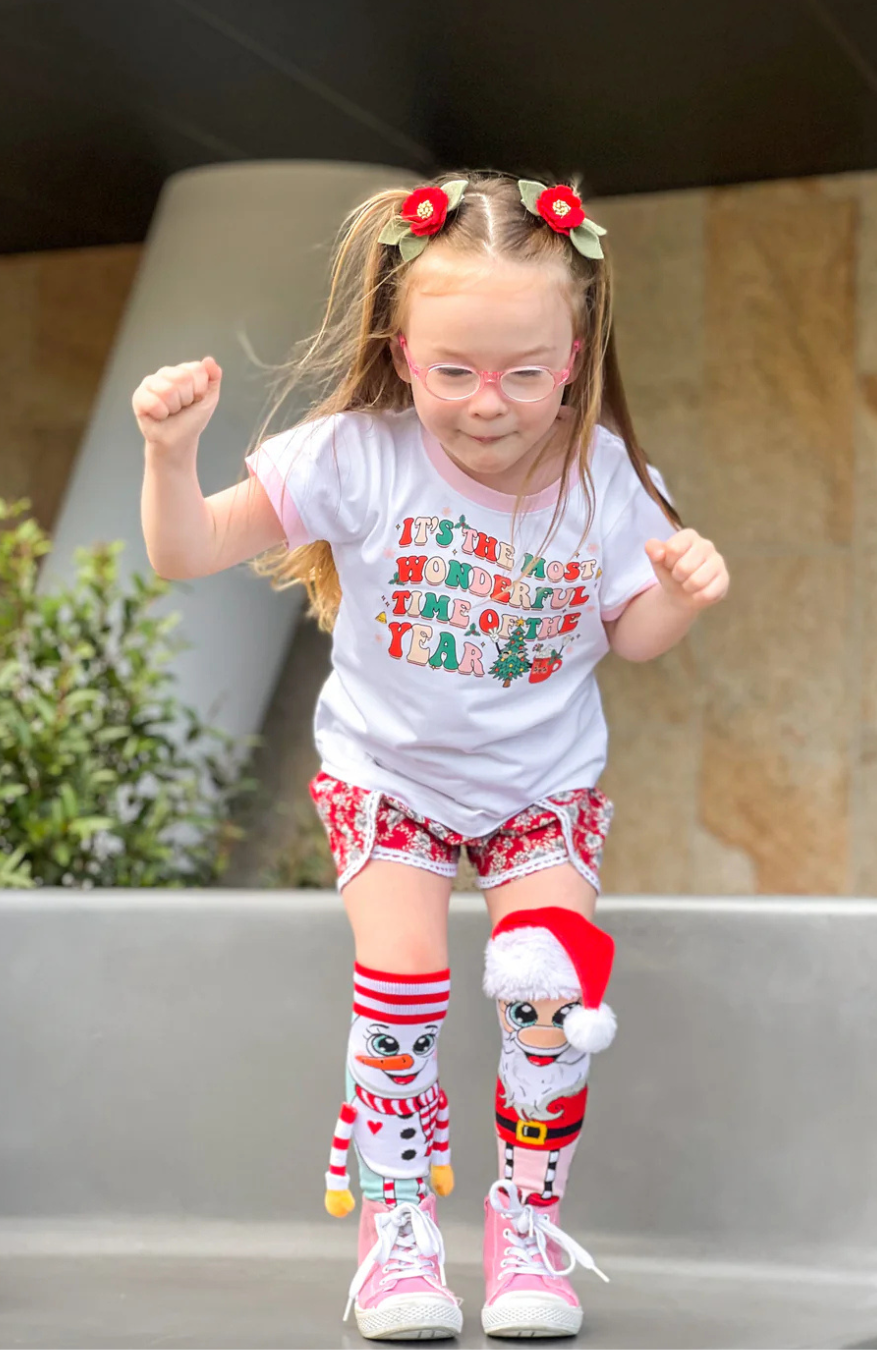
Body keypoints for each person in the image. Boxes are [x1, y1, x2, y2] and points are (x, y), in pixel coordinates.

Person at [135, 171, 729, 1341]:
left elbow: (636, 641)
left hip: (540, 790)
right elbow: (187, 552)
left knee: (550, 993)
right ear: (403, 352)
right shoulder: (357, 456)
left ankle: (527, 1230)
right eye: (454, 371)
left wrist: (682, 596)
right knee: (402, 989)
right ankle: (396, 1232)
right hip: (388, 780)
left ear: (574, 354)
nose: (488, 403)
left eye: (522, 371)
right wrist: (170, 455)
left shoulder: (603, 473)